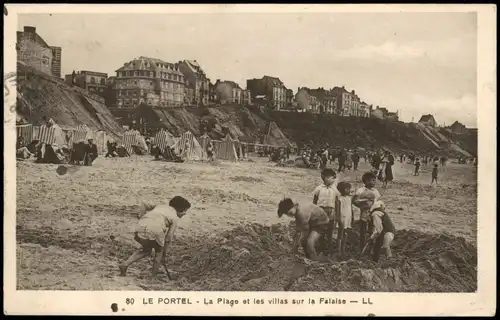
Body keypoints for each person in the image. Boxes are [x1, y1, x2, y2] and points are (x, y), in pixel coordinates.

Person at [119, 196, 191, 280]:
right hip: (155, 229)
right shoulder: (174, 218)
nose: (185, 213)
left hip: (140, 226)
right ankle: (153, 277)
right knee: (158, 253)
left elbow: (144, 204)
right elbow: (168, 238)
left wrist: (141, 216)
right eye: (185, 211)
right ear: (180, 210)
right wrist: (164, 253)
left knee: (146, 250)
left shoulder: (160, 206)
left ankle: (125, 264)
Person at [352, 172, 381, 251]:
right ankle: (361, 245)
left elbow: (377, 201)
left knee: (371, 229)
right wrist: (361, 204)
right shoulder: (360, 191)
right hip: (364, 212)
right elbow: (355, 201)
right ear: (367, 181)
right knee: (363, 229)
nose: (375, 182)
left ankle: (370, 245)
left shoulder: (376, 191)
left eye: (375, 180)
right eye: (373, 180)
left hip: (373, 213)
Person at [312, 168, 339, 253]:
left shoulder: (335, 189)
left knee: (330, 230)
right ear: (326, 178)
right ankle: (320, 247)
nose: (334, 180)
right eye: (333, 178)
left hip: (331, 211)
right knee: (321, 229)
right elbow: (315, 200)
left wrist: (337, 214)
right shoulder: (319, 188)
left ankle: (329, 248)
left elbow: (337, 202)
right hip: (321, 211)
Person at [335, 181, 353, 256]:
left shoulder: (349, 198)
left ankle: (343, 249)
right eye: (347, 189)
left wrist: (353, 218)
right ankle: (338, 250)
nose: (349, 190)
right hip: (342, 218)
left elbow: (351, 209)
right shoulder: (339, 199)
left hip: (348, 218)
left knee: (345, 234)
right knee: (340, 234)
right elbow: (338, 210)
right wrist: (338, 219)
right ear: (341, 190)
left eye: (349, 189)